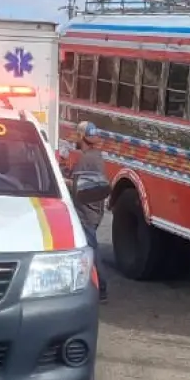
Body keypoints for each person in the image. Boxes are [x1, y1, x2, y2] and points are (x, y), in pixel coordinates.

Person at [70, 122, 108, 302]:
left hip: (86, 212)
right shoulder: (96, 157)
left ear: (81, 137)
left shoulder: (86, 160)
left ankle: (101, 289)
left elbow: (76, 185)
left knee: (91, 251)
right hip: (95, 211)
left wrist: (60, 179)